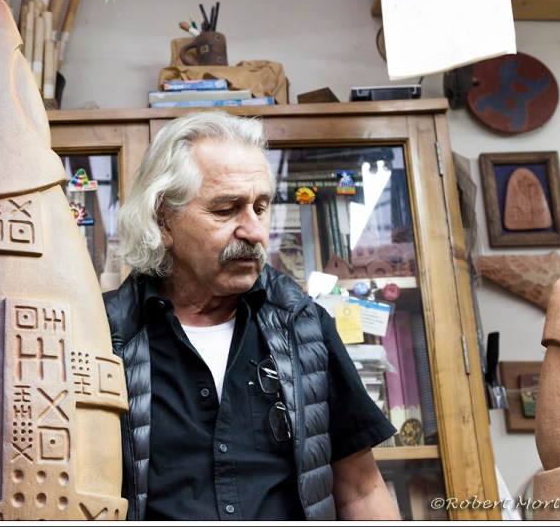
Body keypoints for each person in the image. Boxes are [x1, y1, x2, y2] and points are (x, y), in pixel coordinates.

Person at [104, 111, 401, 520]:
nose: (254, 231)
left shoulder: (304, 328)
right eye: (227, 210)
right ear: (163, 220)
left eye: (260, 208)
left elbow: (362, 491)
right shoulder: (104, 334)